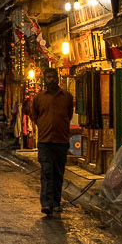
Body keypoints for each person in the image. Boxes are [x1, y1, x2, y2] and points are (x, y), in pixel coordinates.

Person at [27, 68, 74, 216]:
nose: (51, 79)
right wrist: (43, 126)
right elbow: (34, 116)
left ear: (58, 78)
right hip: (45, 141)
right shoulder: (39, 98)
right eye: (48, 77)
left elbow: (69, 115)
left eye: (53, 77)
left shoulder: (67, 97)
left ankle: (56, 203)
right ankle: (46, 203)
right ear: (44, 79)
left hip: (61, 141)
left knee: (58, 173)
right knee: (47, 171)